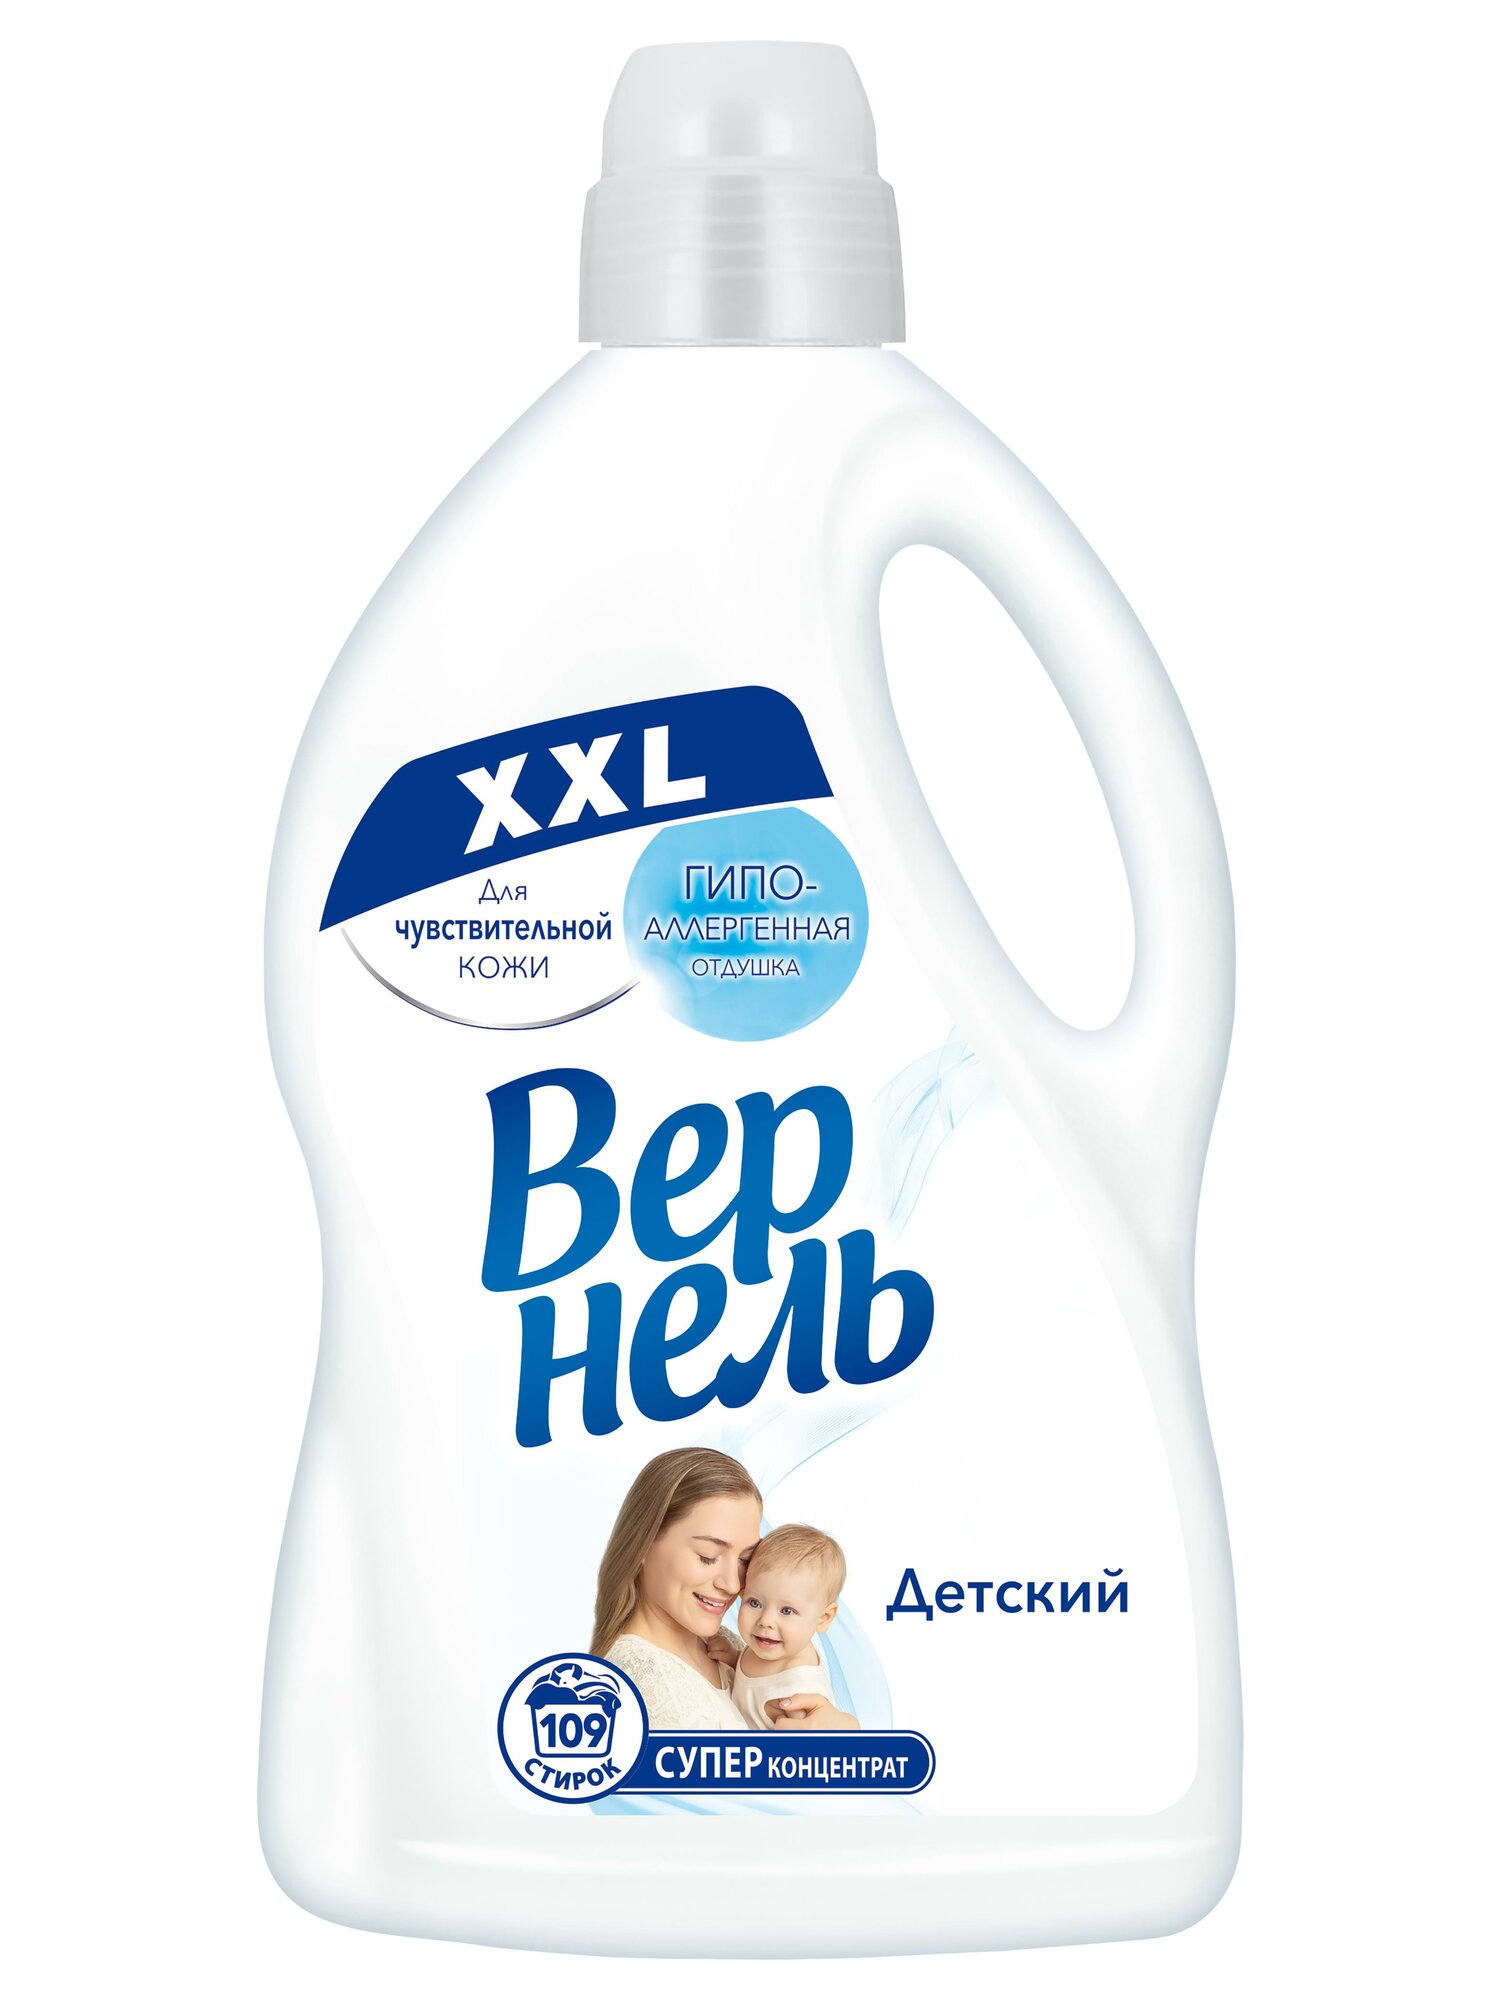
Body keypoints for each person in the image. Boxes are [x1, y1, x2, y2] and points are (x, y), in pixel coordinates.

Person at [714, 1523, 853, 1730]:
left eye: (787, 1611)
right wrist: (735, 1660)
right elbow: (755, 1685)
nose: (766, 1621)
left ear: (823, 1618)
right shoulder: (771, 1649)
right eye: (755, 1603)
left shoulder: (797, 1691)